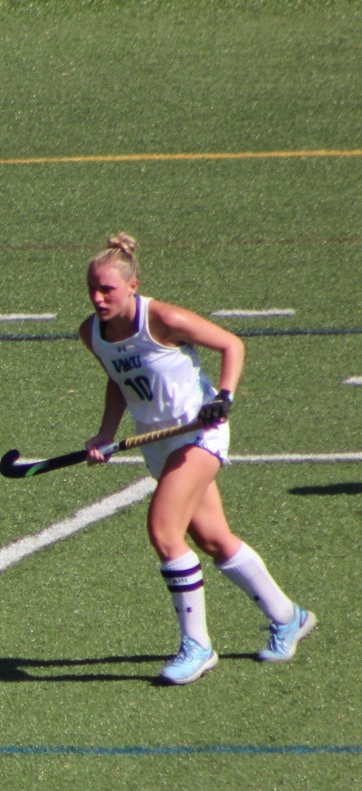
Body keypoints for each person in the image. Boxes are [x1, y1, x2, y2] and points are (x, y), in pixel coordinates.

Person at [82, 232, 315, 686]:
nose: (97, 298)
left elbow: (232, 345)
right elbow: (118, 379)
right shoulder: (92, 332)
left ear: (133, 285)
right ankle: (290, 617)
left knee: (164, 531)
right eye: (92, 288)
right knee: (213, 539)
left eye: (106, 289)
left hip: (199, 431)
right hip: (156, 440)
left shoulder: (163, 318)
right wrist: (106, 434)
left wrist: (224, 397)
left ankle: (198, 646)